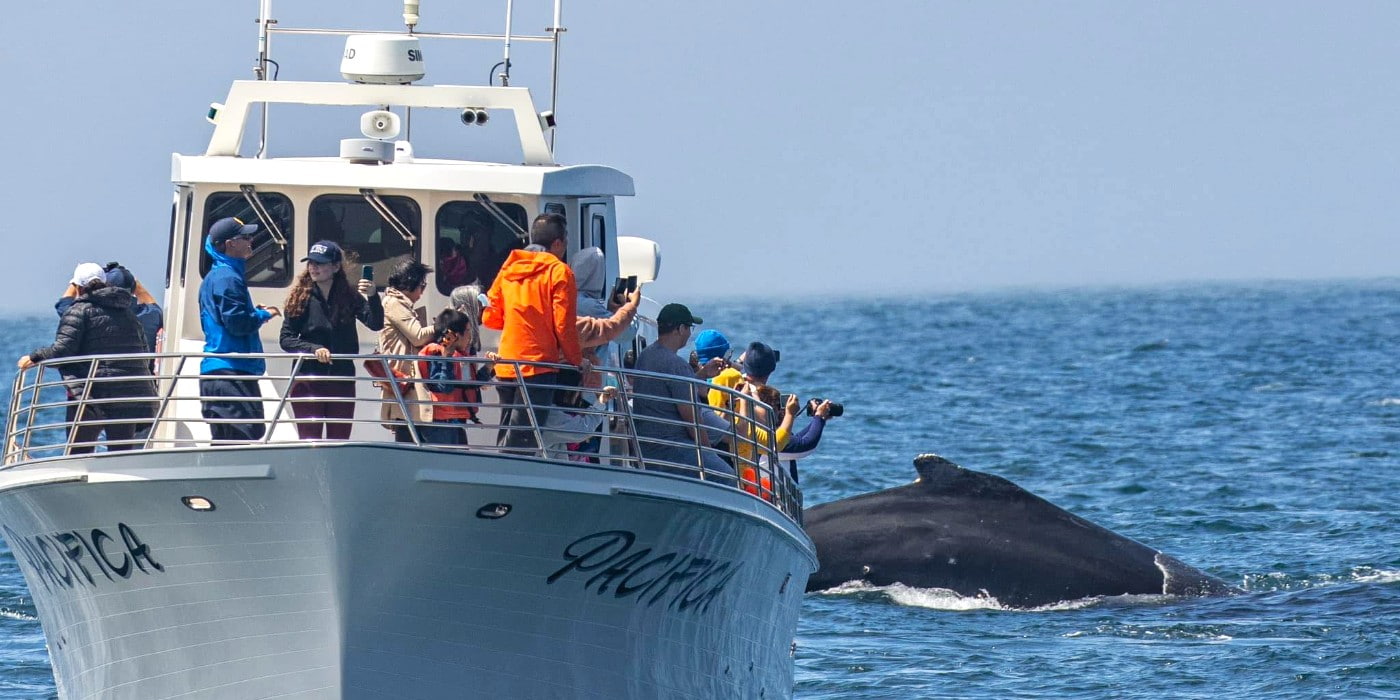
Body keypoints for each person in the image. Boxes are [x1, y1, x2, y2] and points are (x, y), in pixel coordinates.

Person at [20, 264, 157, 453]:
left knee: (79, 455)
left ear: (77, 287)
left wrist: (34, 356)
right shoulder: (127, 312)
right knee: (121, 454)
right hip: (126, 395)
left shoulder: (78, 310)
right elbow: (143, 353)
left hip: (91, 394)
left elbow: (62, 350)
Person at [482, 213, 584, 450]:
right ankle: (510, 483)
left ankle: (499, 478)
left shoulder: (508, 269)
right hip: (538, 368)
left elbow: (490, 317)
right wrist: (576, 361)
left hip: (506, 365)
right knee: (524, 441)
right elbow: (563, 326)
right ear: (557, 243)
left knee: (507, 435)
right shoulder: (560, 272)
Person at [278, 240, 384, 439]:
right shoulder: (300, 297)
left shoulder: (349, 295)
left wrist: (373, 296)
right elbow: (286, 339)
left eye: (320, 263)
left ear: (336, 267)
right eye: (311, 262)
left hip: (341, 377)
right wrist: (313, 348)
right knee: (310, 440)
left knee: (340, 438)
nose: (313, 267)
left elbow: (375, 323)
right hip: (308, 378)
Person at [629, 303, 733, 479]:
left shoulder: (645, 356)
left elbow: (670, 386)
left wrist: (701, 374)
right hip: (673, 448)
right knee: (729, 477)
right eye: (689, 328)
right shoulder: (676, 364)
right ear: (679, 329)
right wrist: (708, 453)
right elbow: (692, 420)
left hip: (646, 446)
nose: (689, 333)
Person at [199, 217, 280, 444]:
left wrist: (253, 312)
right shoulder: (227, 278)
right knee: (245, 435)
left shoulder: (216, 276)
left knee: (229, 440)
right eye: (245, 237)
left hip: (219, 372)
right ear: (230, 243)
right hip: (231, 371)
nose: (250, 240)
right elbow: (236, 323)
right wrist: (263, 315)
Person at [378, 260, 436, 442]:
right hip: (403, 381)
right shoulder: (395, 303)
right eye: (421, 285)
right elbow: (418, 336)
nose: (422, 291)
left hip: (404, 382)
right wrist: (444, 324)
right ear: (409, 282)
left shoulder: (395, 302)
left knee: (409, 431)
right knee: (407, 434)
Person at [414, 308, 479, 446]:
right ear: (455, 335)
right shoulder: (437, 355)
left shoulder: (462, 357)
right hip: (439, 424)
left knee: (459, 462)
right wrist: (446, 359)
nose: (470, 336)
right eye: (467, 331)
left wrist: (491, 367)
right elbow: (444, 387)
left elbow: (472, 384)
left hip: (455, 421)